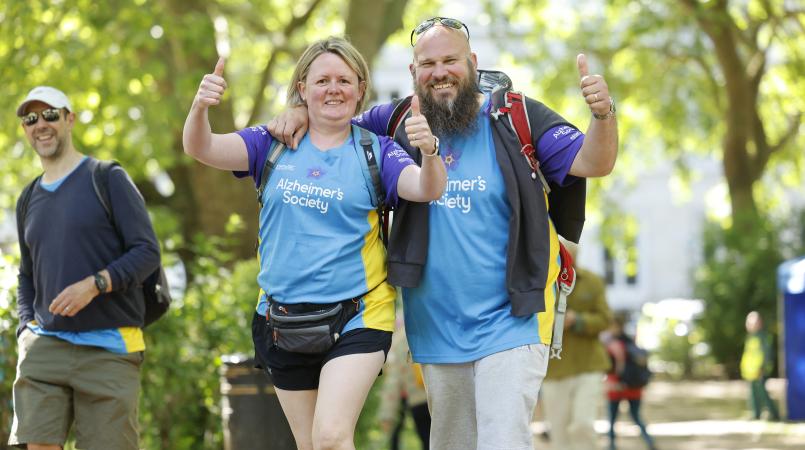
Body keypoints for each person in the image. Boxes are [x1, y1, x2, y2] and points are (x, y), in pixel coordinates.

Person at [268, 17, 618, 449]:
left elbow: (593, 162)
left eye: (450, 59)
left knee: (502, 440)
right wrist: (299, 108)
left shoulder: (517, 117)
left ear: (471, 62)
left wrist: (602, 114)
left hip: (515, 317)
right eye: (427, 63)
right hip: (435, 326)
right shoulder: (395, 120)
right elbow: (334, 119)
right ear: (414, 73)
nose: (440, 71)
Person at [182, 37, 446, 450]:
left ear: (361, 89)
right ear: (302, 88)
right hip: (281, 320)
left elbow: (426, 188)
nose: (334, 89)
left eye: (344, 80)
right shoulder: (269, 143)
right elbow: (202, 148)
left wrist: (430, 153)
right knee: (310, 446)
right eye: (322, 80)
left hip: (359, 315)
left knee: (330, 438)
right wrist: (200, 109)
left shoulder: (377, 151)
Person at [10, 86, 161, 450]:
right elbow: (27, 274)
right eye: (31, 119)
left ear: (69, 119)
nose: (40, 124)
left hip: (109, 347)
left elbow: (147, 251)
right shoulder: (28, 198)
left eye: (50, 114)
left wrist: (95, 284)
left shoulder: (107, 178)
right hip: (45, 346)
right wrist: (25, 328)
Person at [541, 242, 612, 450]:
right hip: (554, 371)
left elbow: (605, 319)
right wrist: (550, 322)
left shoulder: (592, 281)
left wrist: (578, 321)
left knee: (583, 425)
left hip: (588, 366)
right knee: (559, 432)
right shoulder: (542, 284)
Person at [377, 313, 431, 450]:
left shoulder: (397, 343)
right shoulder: (425, 332)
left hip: (417, 401)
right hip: (437, 394)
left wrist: (387, 415)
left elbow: (393, 382)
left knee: (427, 441)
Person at [605, 313, 656, 450]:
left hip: (617, 386)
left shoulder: (614, 344)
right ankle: (649, 442)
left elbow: (615, 367)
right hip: (635, 388)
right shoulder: (631, 343)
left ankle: (611, 446)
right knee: (636, 417)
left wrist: (615, 381)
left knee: (612, 419)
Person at [740, 311, 780, 421]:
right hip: (751, 372)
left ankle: (774, 414)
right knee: (753, 394)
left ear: (759, 323)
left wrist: (762, 368)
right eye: (748, 323)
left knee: (763, 394)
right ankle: (756, 413)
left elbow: (767, 354)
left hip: (760, 371)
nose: (749, 325)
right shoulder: (750, 337)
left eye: (752, 323)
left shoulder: (763, 337)